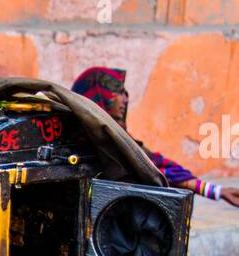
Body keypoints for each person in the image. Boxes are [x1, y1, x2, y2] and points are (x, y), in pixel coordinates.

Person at [71, 67, 239, 206]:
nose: (125, 100)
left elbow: (154, 166)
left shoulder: (118, 140)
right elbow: (151, 168)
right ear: (100, 96)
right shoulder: (98, 142)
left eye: (125, 93)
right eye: (119, 92)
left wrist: (216, 191)